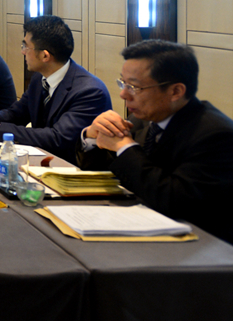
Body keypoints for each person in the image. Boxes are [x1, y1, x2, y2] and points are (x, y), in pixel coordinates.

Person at [77, 40, 233, 243]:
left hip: (198, 246)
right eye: (123, 83)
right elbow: (107, 173)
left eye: (134, 87)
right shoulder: (143, 119)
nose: (123, 94)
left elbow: (174, 200)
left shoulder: (215, 135)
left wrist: (126, 148)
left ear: (176, 92)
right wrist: (91, 136)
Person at [0, 15, 111, 163]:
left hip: (71, 168)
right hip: (42, 161)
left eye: (26, 47)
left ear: (45, 56)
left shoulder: (90, 92)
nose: (22, 52)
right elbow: (16, 114)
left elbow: (57, 138)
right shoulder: (39, 78)